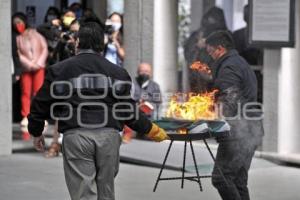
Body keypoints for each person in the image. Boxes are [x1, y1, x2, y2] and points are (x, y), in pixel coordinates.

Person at [27, 22, 169, 200]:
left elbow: (40, 104)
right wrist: (151, 130)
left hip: (76, 136)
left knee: (84, 194)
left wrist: (36, 131)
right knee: (106, 192)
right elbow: (128, 111)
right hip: (109, 137)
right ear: (101, 45)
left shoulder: (59, 70)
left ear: (77, 43)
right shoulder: (118, 73)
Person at [205, 30, 264, 200]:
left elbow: (229, 101)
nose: (211, 56)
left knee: (221, 178)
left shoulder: (229, 66)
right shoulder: (240, 62)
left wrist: (208, 114)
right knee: (237, 180)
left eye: (211, 52)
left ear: (220, 48)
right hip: (251, 129)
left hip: (239, 132)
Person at [13, 12, 48, 128]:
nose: (17, 25)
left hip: (39, 67)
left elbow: (44, 48)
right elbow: (18, 54)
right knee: (26, 92)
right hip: (26, 69)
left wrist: (38, 63)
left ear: (24, 22)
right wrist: (29, 64)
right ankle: (26, 115)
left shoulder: (36, 33)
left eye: (19, 22)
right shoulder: (17, 38)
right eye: (15, 24)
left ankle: (40, 116)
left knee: (38, 92)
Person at [184, 6, 228, 93]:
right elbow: (189, 55)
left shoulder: (226, 36)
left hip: (220, 80)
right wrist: (198, 46)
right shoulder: (197, 36)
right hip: (199, 81)